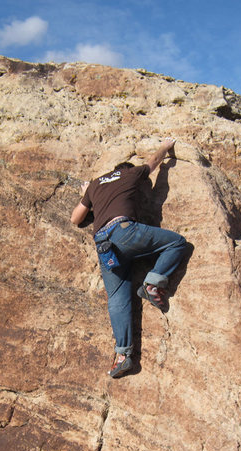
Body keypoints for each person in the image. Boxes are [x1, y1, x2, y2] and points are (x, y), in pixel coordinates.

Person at [70, 139, 187, 378]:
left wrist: (91, 199)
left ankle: (123, 356)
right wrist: (165, 147)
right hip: (126, 232)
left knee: (117, 299)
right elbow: (153, 163)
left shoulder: (94, 185)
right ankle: (153, 282)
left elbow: (75, 219)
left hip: (104, 245)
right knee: (177, 243)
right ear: (125, 170)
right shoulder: (130, 174)